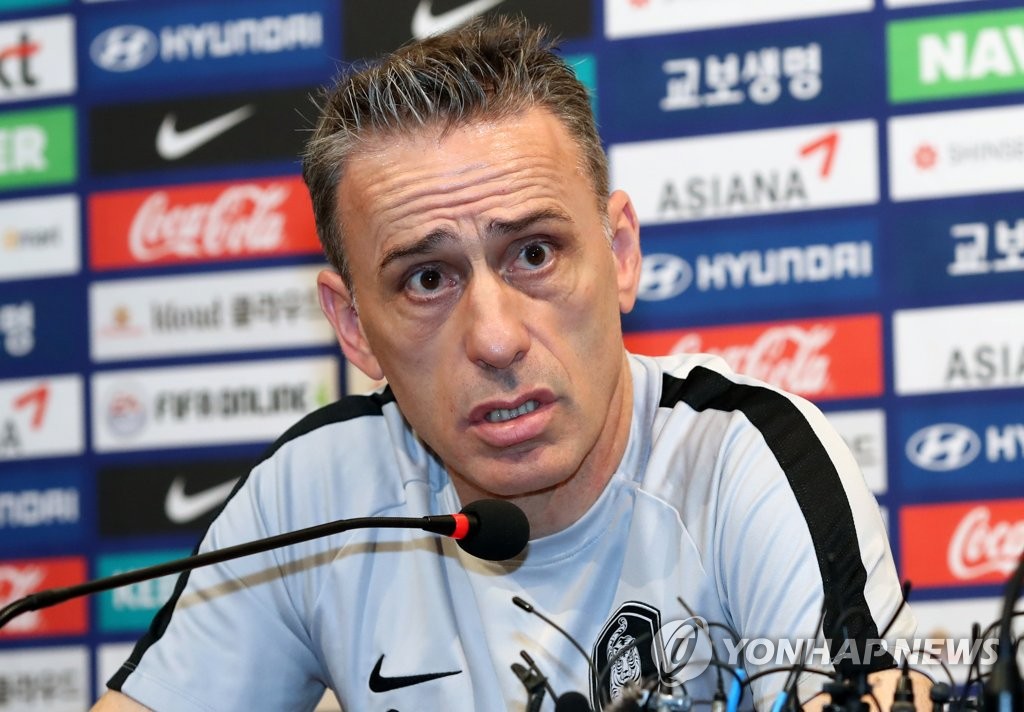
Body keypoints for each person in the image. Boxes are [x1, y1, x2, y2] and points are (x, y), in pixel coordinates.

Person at [93, 17, 914, 712]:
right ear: (353, 326)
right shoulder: (315, 495)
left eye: (534, 253)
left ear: (620, 255)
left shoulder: (746, 461)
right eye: (426, 279)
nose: (495, 339)